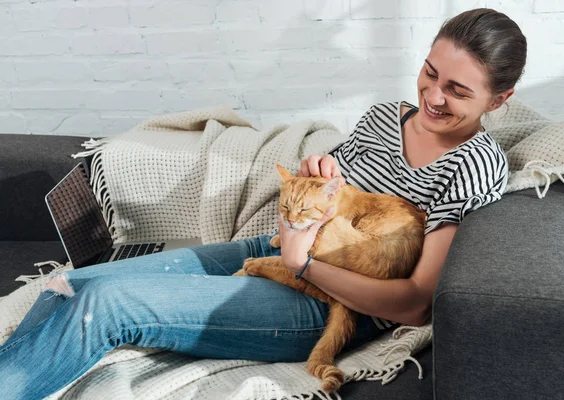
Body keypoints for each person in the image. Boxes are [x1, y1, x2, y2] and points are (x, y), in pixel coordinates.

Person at [0, 8, 526, 399]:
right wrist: (313, 177)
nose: (433, 96)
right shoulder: (387, 116)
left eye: (457, 91)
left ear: (498, 100)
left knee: (108, 308)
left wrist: (304, 263)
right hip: (274, 250)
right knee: (73, 285)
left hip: (329, 304)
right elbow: (321, 189)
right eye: (430, 73)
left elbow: (414, 302)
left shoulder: (476, 166)